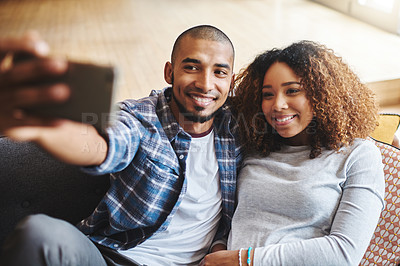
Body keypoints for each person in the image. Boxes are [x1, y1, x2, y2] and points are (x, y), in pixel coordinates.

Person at [0, 25, 243, 266]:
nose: (205, 83)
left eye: (219, 72)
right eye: (192, 67)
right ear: (170, 72)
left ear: (231, 82)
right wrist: (45, 127)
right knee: (40, 233)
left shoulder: (238, 128)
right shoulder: (139, 118)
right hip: (115, 258)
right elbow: (101, 145)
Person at [200, 41, 385, 265]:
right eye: (267, 95)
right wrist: (217, 250)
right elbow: (226, 218)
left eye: (292, 91)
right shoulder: (253, 145)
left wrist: (244, 260)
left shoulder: (359, 155)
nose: (277, 104)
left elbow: (345, 253)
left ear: (322, 94)